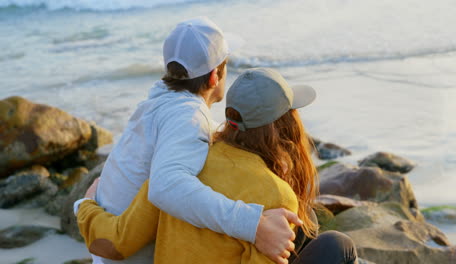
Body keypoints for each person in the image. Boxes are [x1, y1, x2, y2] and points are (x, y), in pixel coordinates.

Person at [74, 17, 301, 264]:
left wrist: (84, 206)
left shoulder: (156, 104)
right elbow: (166, 186)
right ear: (215, 76)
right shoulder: (190, 115)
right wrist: (254, 225)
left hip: (107, 241)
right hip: (129, 251)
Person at [76, 68, 358, 264]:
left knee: (305, 220)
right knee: (337, 246)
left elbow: (118, 241)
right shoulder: (276, 194)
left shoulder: (180, 168)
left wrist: (86, 204)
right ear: (284, 126)